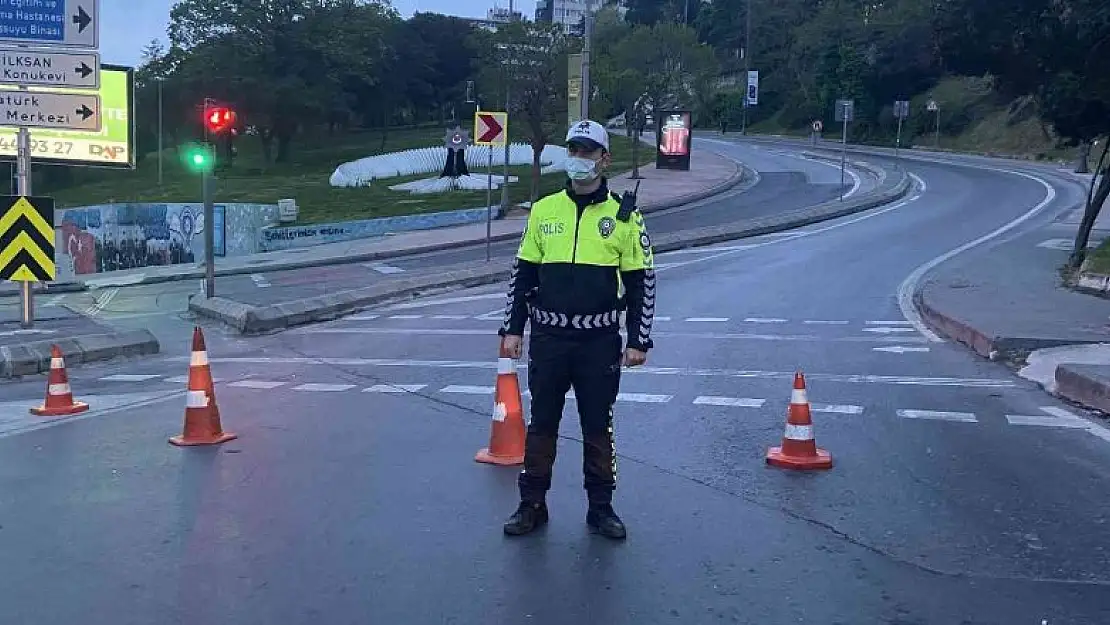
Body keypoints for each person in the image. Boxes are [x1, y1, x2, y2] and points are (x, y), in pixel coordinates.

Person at [497, 119, 656, 540]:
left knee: (596, 426)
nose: (578, 159)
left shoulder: (624, 215)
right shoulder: (544, 209)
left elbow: (643, 280)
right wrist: (512, 329)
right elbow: (523, 275)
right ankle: (532, 504)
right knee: (541, 424)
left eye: (587, 152)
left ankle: (601, 508)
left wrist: (640, 339)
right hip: (549, 341)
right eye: (573, 150)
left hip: (598, 343)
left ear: (604, 159)